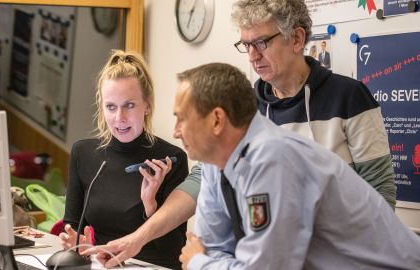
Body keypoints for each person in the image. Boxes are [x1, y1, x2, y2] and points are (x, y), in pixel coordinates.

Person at [175, 62, 420, 270]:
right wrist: (205, 261)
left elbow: (255, 268)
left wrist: (199, 263)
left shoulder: (271, 156)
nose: (175, 132)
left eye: (182, 119)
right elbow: (213, 246)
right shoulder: (214, 163)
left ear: (217, 120)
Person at [231, 0, 396, 208]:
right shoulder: (245, 109)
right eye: (246, 45)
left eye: (261, 42)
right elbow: (213, 174)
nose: (252, 57)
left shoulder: (350, 96)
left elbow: (380, 190)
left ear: (296, 39)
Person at [60, 50, 189, 269]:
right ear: (102, 108)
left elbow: (174, 252)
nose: (119, 118)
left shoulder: (171, 160)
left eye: (129, 105)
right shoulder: (84, 153)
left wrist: (151, 205)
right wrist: (75, 243)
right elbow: (72, 229)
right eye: (111, 107)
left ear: (147, 105)